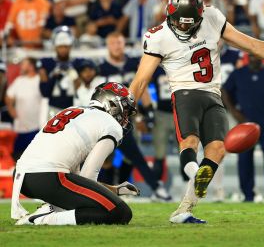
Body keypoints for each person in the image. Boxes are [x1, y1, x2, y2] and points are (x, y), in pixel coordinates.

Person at [128, 0, 264, 224]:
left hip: (213, 94)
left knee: (218, 150)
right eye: (180, 21)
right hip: (185, 92)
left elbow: (252, 45)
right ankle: (193, 173)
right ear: (169, 13)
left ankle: (184, 209)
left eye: (190, 21)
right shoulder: (158, 36)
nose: (185, 26)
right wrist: (127, 109)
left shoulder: (212, 16)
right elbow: (141, 80)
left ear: (199, 13)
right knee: (190, 141)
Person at [12, 82, 138, 225]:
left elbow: (78, 180)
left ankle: (51, 208)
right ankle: (42, 219)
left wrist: (114, 190)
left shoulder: (74, 109)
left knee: (92, 202)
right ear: (112, 104)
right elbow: (88, 175)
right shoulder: (110, 124)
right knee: (120, 213)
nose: (126, 118)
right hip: (49, 177)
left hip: (23, 177)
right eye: (125, 110)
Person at [98, 31, 171, 202]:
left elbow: (141, 87)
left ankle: (124, 190)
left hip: (128, 119)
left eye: (120, 42)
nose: (117, 46)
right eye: (113, 42)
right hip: (107, 119)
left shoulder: (132, 64)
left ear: (125, 44)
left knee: (133, 156)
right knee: (106, 158)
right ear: (108, 46)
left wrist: (147, 111)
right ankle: (110, 191)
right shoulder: (101, 68)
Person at [222, 54, 264, 202]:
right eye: (252, 56)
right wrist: (234, 112)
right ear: (248, 57)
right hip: (245, 124)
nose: (255, 58)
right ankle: (248, 194)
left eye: (257, 56)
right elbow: (224, 91)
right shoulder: (238, 74)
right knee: (244, 160)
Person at [38, 26, 83, 120]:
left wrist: (74, 76)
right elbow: (44, 92)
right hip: (53, 108)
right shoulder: (46, 63)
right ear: (55, 47)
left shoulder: (78, 63)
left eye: (66, 46)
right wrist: (53, 76)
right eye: (60, 47)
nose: (63, 50)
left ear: (70, 46)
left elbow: (83, 90)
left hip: (74, 107)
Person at [5, 57, 42, 160]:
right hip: (19, 127)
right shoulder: (19, 81)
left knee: (34, 157)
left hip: (36, 127)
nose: (21, 67)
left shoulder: (39, 80)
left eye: (24, 64)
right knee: (16, 156)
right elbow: (8, 97)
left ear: (31, 66)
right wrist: (11, 109)